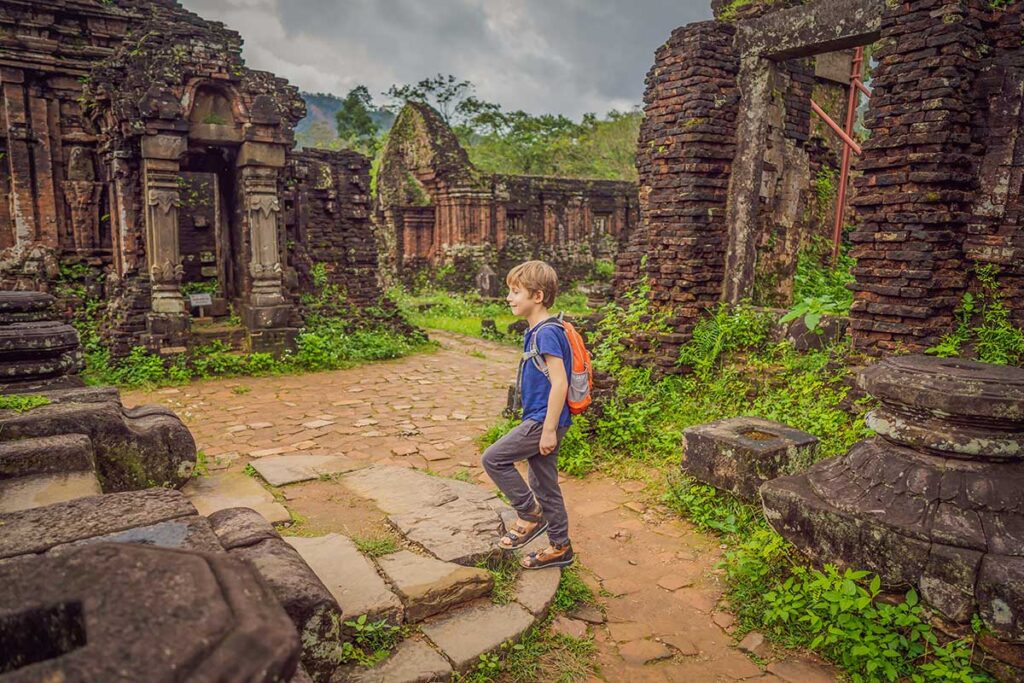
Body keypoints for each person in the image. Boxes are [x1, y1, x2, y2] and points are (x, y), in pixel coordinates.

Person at [481, 260, 574, 570]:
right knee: (545, 483)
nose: (509, 297)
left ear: (538, 296)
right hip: (542, 418)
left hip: (543, 420)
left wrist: (547, 430)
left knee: (494, 458)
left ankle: (530, 514)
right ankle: (560, 546)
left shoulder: (547, 332)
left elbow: (560, 382)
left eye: (515, 291)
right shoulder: (539, 330)